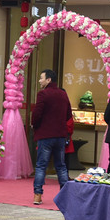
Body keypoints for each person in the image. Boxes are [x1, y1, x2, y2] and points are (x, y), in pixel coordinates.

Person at [30, 69, 73, 206]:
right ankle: (65, 196)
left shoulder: (43, 94)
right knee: (61, 166)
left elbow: (36, 114)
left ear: (48, 80)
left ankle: (38, 195)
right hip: (60, 135)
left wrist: (35, 125)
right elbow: (68, 114)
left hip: (45, 135)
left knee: (41, 165)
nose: (39, 81)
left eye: (41, 78)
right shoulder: (63, 94)